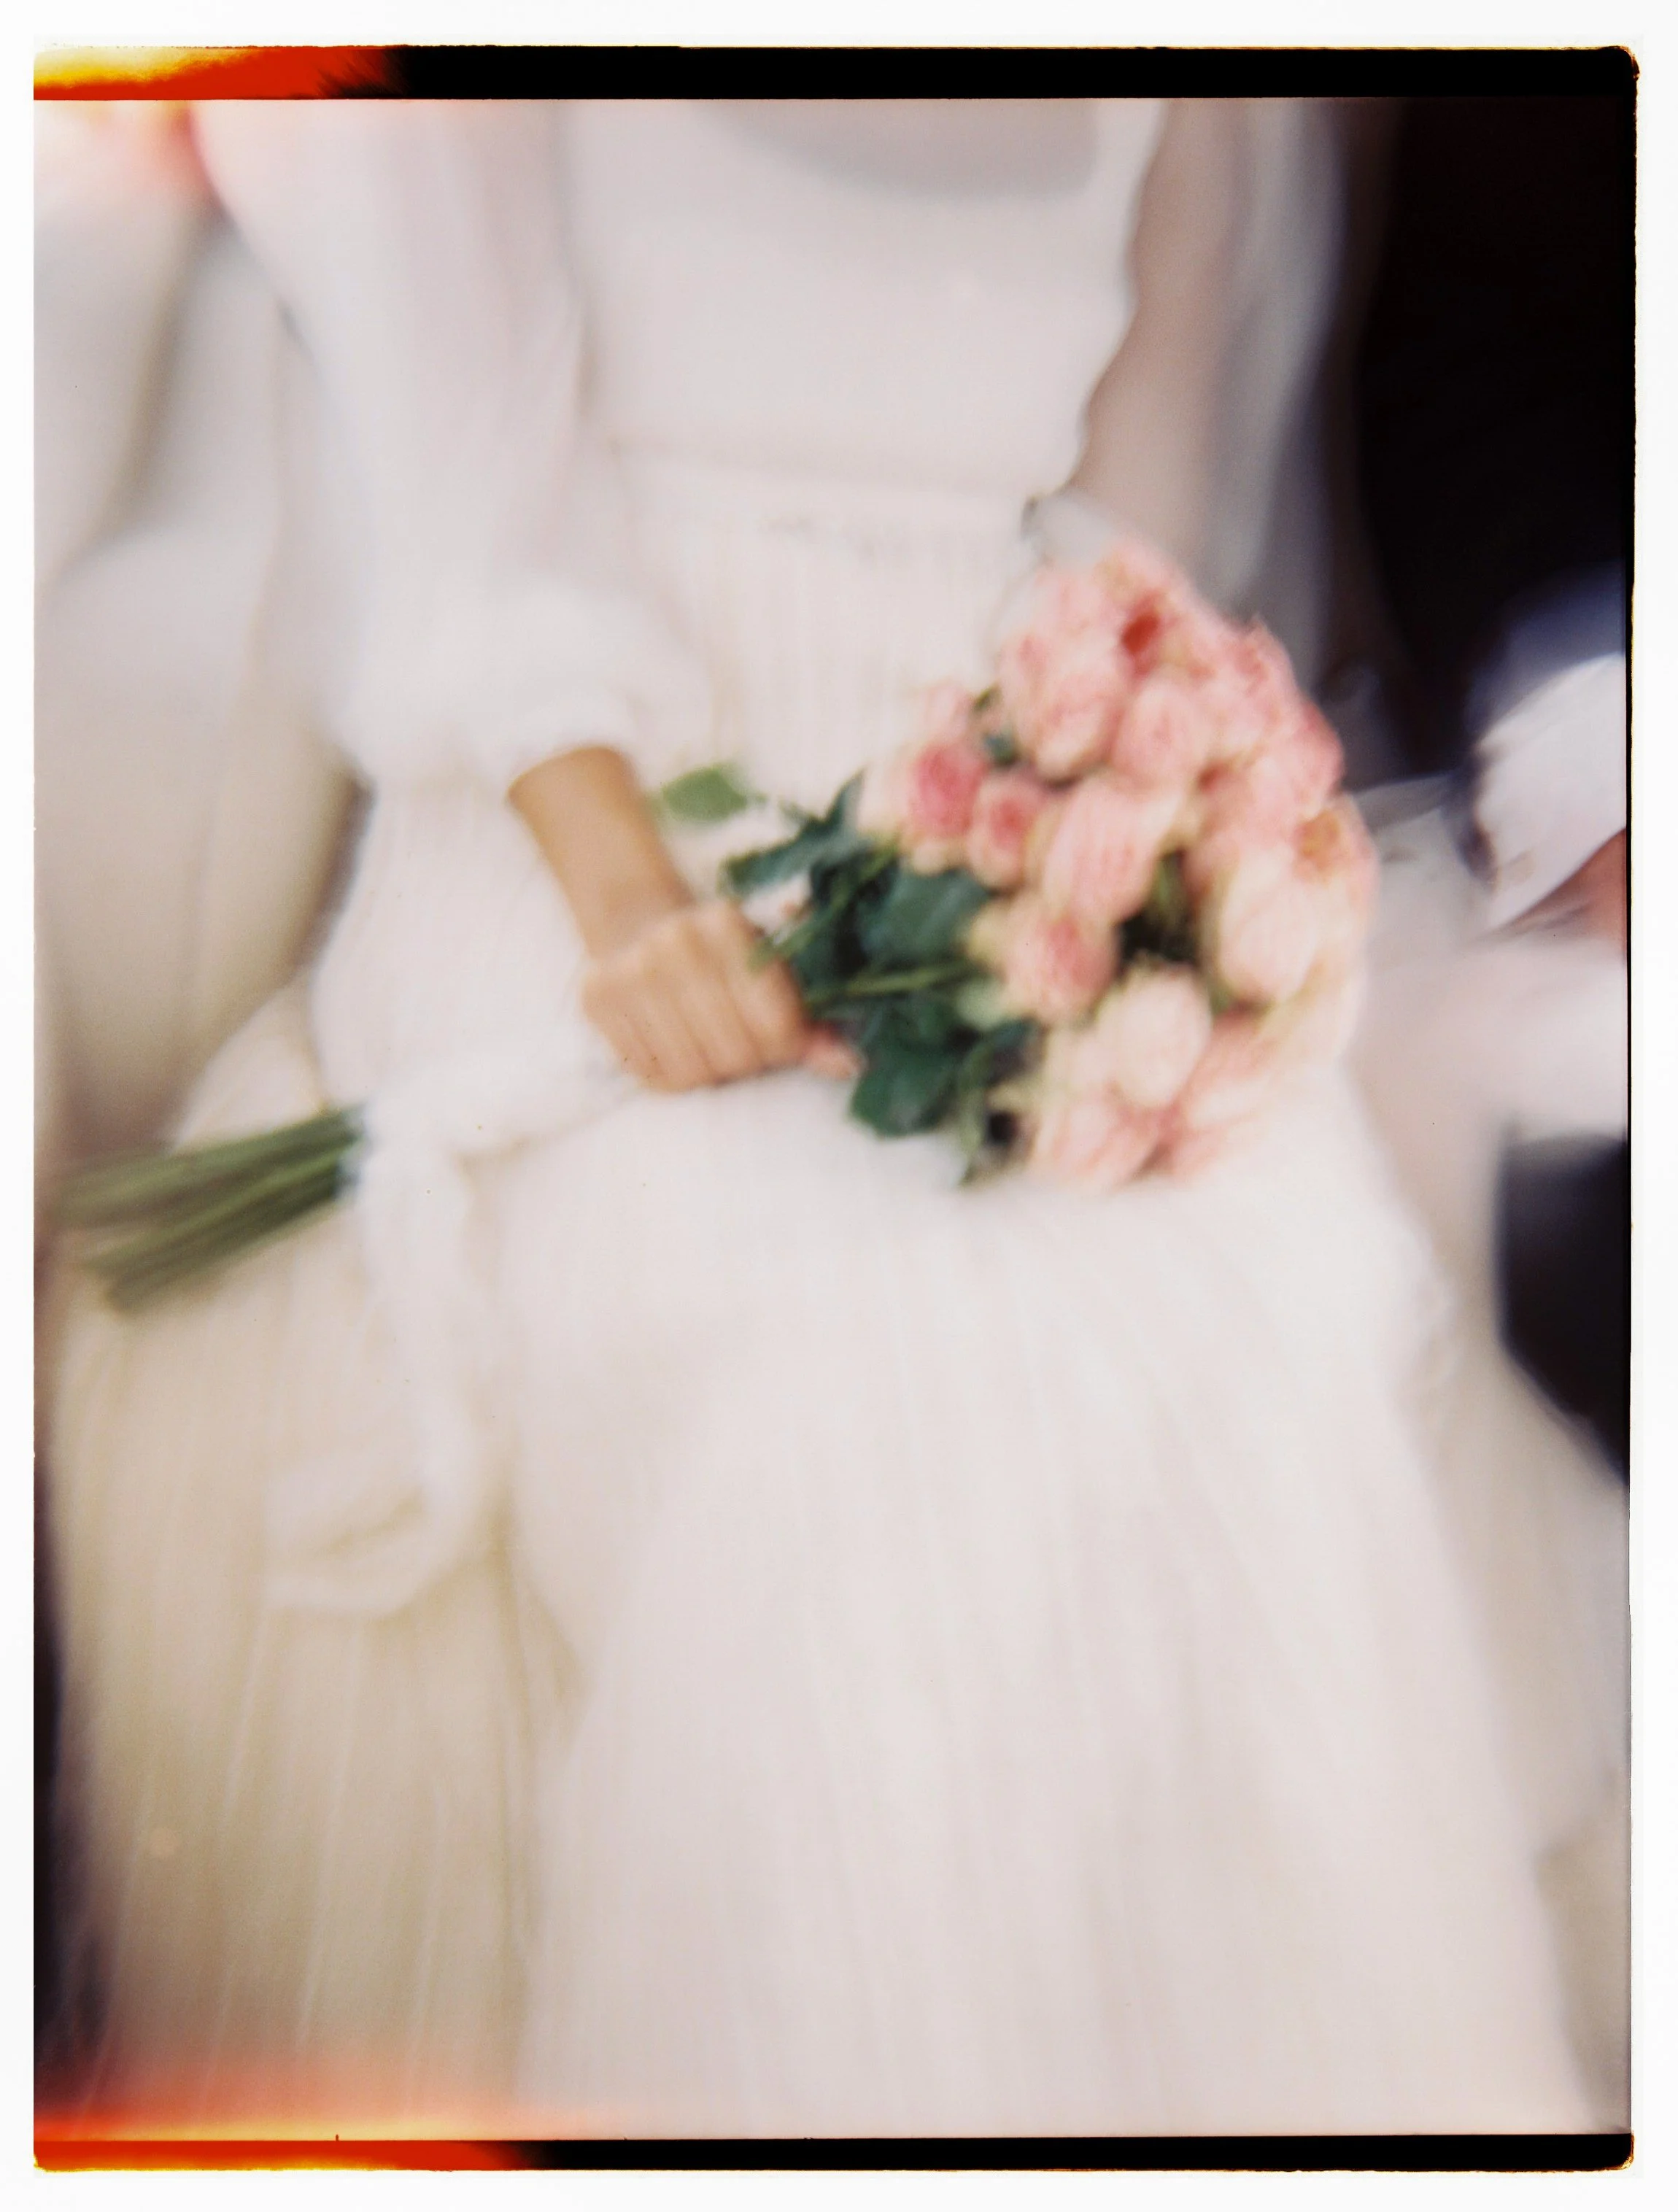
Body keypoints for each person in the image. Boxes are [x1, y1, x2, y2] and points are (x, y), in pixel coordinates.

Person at [39, 97, 1601, 2137]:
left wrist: (1129, 855)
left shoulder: (1187, 88)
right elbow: (456, 510)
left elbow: (1141, 550)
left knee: (1258, 1314)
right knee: (859, 1372)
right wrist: (636, 917)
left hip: (975, 830)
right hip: (585, 816)